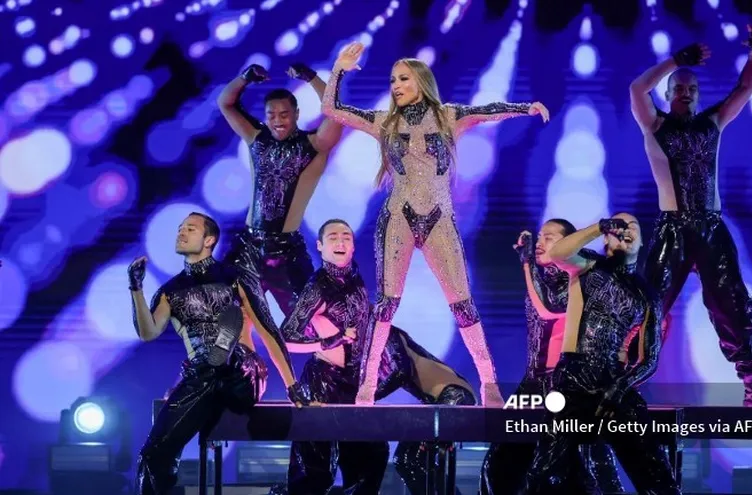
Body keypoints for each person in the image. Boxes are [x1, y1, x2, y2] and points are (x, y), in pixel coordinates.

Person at [321, 41, 550, 407]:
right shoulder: (384, 122)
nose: (395, 85)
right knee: (386, 304)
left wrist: (525, 107)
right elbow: (331, 109)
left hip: (439, 219)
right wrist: (339, 69)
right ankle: (366, 385)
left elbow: (487, 110)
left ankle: (489, 382)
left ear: (422, 81)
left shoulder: (448, 116)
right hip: (398, 218)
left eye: (403, 79)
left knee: (463, 304)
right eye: (393, 79)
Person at [270, 219, 476, 495]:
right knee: (313, 472)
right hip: (324, 382)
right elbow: (287, 337)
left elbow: (458, 391)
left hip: (357, 382)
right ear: (320, 246)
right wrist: (332, 339)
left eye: (346, 236)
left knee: (372, 458)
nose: (341, 241)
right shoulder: (317, 287)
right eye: (333, 237)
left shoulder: (357, 282)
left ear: (354, 246)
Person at [628, 25, 752, 406]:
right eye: (678, 88)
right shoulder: (654, 124)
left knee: (731, 303)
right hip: (672, 229)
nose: (686, 93)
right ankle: (627, 382)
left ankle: (750, 382)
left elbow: (744, 89)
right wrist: (675, 61)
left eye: (691, 89)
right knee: (649, 305)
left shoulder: (712, 123)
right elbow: (636, 89)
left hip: (710, 227)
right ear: (669, 93)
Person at [129, 212, 309, 495]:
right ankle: (217, 356)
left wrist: (292, 386)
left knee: (230, 360)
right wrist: (136, 289)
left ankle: (225, 351)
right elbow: (147, 332)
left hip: (244, 375)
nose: (181, 232)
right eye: (180, 228)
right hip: (202, 379)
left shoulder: (234, 277)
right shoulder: (170, 291)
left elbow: (268, 330)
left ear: (209, 240)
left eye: (190, 228)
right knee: (152, 455)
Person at [523, 213, 679, 494]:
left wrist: (619, 388)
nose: (626, 230)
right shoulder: (588, 265)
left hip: (614, 384)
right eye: (619, 226)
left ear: (642, 241)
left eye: (633, 226)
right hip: (572, 381)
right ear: (608, 236)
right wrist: (599, 226)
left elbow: (650, 358)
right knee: (544, 476)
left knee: (656, 475)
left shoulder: (646, 295)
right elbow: (558, 253)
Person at [480, 219, 624, 494]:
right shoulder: (542, 277)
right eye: (539, 237)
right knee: (499, 466)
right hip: (533, 384)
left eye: (549, 237)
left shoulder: (578, 277)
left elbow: (549, 307)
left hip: (567, 386)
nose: (539, 242)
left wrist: (526, 264)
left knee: (587, 466)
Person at [217, 61, 343, 316]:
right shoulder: (257, 138)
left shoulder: (314, 144)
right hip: (248, 247)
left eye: (284, 115)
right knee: (224, 313)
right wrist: (245, 77)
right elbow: (226, 103)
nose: (277, 121)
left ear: (296, 114)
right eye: (271, 115)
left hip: (286, 253)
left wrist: (311, 78)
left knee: (307, 320)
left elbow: (337, 113)